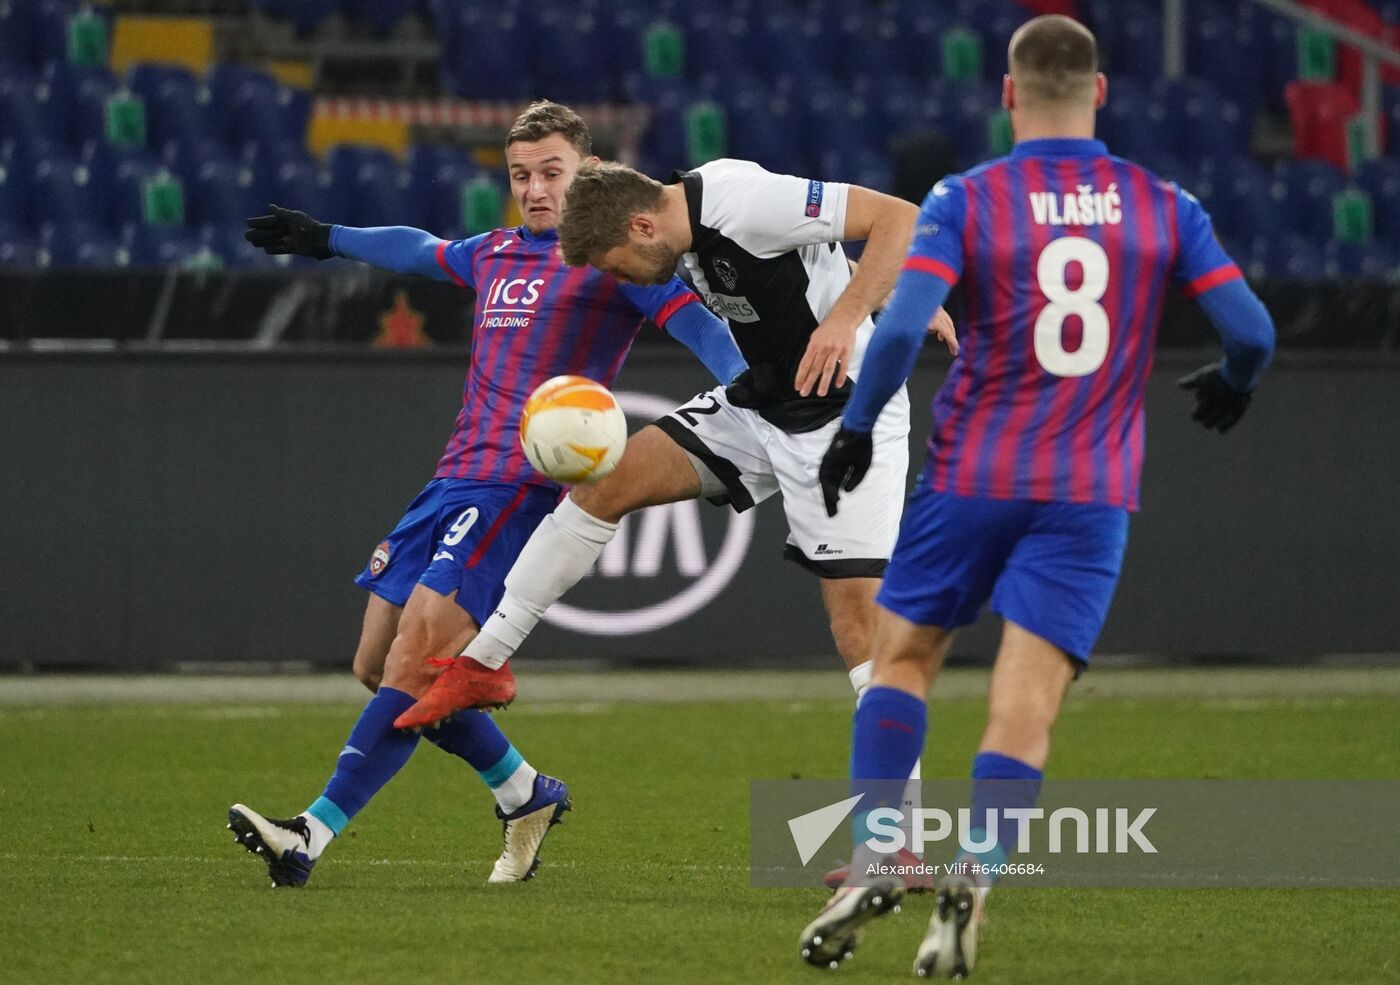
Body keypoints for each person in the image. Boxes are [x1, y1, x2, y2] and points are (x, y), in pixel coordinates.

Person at [796, 14, 1276, 977]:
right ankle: (976, 873)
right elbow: (1253, 330)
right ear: (1099, 93)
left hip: (970, 475)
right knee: (1027, 702)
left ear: (1009, 95)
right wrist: (1236, 381)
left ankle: (881, 850)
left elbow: (900, 331)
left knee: (903, 661)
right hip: (1089, 493)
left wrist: (855, 429)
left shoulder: (966, 197)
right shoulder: (1164, 204)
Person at [226, 101, 748, 888]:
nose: (534, 189)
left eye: (551, 173)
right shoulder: (495, 252)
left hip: (517, 489)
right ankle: (523, 790)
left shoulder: (612, 260)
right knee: (378, 664)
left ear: (587, 173)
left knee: (414, 660)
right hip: (451, 479)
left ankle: (308, 833)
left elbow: (697, 324)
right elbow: (418, 249)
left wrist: (750, 388)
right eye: (520, 175)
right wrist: (327, 237)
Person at [394, 159, 957, 759]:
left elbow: (900, 218)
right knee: (606, 484)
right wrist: (892, 289)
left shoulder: (746, 201)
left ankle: (897, 820)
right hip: (762, 403)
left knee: (860, 634)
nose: (625, 281)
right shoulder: (680, 219)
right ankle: (484, 663)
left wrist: (850, 316)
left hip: (842, 413)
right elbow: (809, 253)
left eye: (618, 267)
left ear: (641, 227)